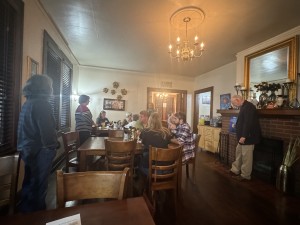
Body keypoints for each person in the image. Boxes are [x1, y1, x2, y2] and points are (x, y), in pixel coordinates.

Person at [17, 75, 58, 213]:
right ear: (45, 87)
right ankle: (36, 216)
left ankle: (25, 212)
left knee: (29, 183)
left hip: (27, 148)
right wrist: (54, 146)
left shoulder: (28, 102)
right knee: (39, 186)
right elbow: (47, 132)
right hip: (41, 150)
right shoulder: (42, 104)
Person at [229, 95, 261, 181]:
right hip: (243, 137)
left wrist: (244, 136)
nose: (233, 105)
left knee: (247, 157)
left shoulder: (249, 107)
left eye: (233, 102)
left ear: (237, 100)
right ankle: (235, 170)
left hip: (248, 137)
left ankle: (245, 175)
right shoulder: (244, 106)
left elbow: (248, 123)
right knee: (238, 153)